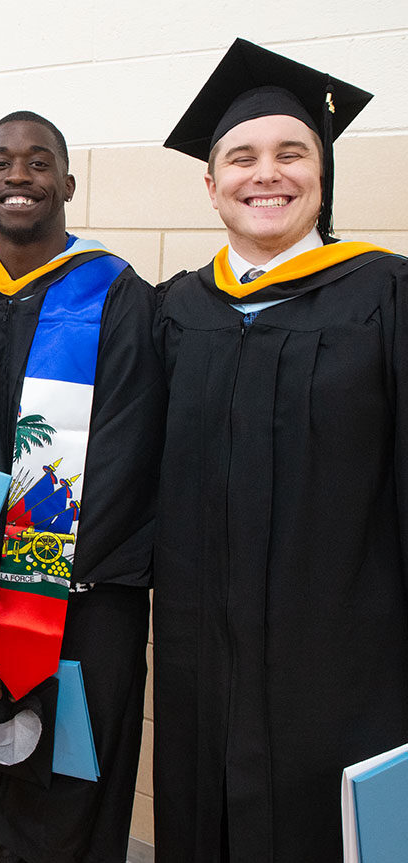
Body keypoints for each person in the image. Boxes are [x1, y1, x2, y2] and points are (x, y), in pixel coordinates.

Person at [153, 38, 408, 862]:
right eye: (241, 158)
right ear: (211, 181)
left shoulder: (385, 294)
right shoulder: (174, 311)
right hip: (200, 664)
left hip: (344, 663)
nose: (266, 174)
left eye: (290, 153)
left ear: (320, 174)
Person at [0, 111, 167, 863]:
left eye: (37, 163)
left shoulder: (119, 298)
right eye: (1, 163)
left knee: (73, 779)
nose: (18, 177)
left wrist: (33, 576)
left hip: (85, 599)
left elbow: (132, 454)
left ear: (66, 182)